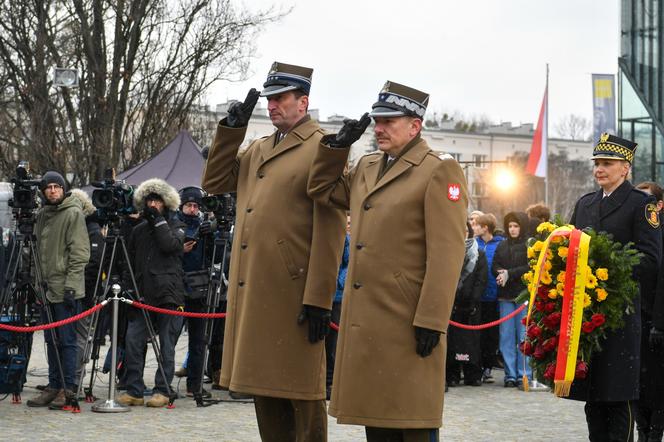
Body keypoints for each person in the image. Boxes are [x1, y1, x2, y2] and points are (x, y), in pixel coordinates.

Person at [307, 80, 468, 441]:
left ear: (415, 125)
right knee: (377, 424)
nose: (378, 128)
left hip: (407, 320)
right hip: (368, 322)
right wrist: (336, 147)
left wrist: (432, 318)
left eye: (389, 121)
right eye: (377, 121)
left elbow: (447, 253)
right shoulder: (367, 166)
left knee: (412, 423)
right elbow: (321, 189)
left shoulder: (438, 170)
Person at [202, 62, 345, 441]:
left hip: (293, 291)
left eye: (281, 98)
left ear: (304, 102)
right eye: (269, 99)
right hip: (258, 288)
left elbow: (331, 228)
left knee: (303, 393)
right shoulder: (261, 147)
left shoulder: (323, 148)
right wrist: (231, 130)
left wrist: (319, 297)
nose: (272, 105)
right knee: (265, 390)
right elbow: (216, 181)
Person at [569, 133, 661, 441]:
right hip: (587, 313)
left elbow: (650, 258)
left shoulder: (641, 204)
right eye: (597, 163)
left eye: (607, 163)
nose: (599, 169)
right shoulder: (585, 204)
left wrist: (607, 269)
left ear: (626, 168)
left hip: (620, 313)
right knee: (593, 397)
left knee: (618, 396)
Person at [116, 178, 185, 408]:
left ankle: (162, 390)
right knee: (133, 341)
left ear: (166, 203)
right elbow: (129, 262)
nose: (153, 204)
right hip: (142, 294)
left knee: (166, 345)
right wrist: (128, 286)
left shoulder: (175, 226)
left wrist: (157, 220)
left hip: (168, 295)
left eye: (157, 200)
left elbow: (169, 245)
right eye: (149, 201)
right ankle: (134, 390)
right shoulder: (138, 230)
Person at [27, 172, 90, 409]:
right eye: (48, 187)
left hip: (65, 289)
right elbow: (39, 253)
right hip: (45, 288)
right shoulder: (43, 214)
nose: (53, 191)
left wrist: (72, 287)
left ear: (63, 189)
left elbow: (80, 253)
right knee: (51, 341)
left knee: (67, 340)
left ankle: (68, 387)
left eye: (57, 186)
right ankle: (54, 385)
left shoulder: (73, 213)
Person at [175, 186, 214, 398]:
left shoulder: (204, 226)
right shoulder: (173, 224)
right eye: (189, 205)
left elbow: (214, 258)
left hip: (199, 288)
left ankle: (195, 385)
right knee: (170, 338)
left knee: (199, 340)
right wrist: (181, 249)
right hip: (178, 287)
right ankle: (163, 384)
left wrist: (211, 236)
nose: (192, 209)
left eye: (196, 206)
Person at [634, 181, 664, 442]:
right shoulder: (637, 232)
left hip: (657, 318)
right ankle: (642, 429)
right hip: (638, 316)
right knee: (638, 382)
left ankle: (655, 430)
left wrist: (659, 322)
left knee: (656, 383)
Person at [67, 189, 105, 389]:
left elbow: (94, 264)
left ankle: (75, 381)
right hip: (70, 290)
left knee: (80, 337)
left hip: (85, 293)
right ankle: (64, 379)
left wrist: (81, 289)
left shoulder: (92, 229)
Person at [492, 211, 531, 388]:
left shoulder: (529, 245)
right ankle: (510, 374)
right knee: (506, 336)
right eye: (510, 226)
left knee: (523, 335)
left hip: (522, 296)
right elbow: (495, 265)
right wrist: (500, 274)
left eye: (516, 226)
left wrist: (510, 274)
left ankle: (525, 374)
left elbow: (529, 268)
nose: (513, 229)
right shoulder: (502, 245)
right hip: (505, 296)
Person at [447, 222, 487, 388]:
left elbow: (481, 278)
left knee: (472, 341)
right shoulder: (449, 250)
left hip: (472, 304)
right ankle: (453, 374)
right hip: (453, 303)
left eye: (465, 230)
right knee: (453, 341)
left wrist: (474, 299)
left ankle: (473, 374)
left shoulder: (479, 252)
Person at [474, 213, 503, 383]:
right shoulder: (473, 244)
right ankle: (475, 366)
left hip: (493, 297)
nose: (474, 227)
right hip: (477, 297)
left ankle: (488, 367)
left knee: (491, 336)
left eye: (478, 225)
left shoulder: (500, 244)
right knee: (476, 334)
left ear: (485, 227)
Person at [325, 214, 350, 400]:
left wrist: (338, 282)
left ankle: (330, 381)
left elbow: (348, 265)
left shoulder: (347, 240)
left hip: (337, 295)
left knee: (333, 341)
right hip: (324, 293)